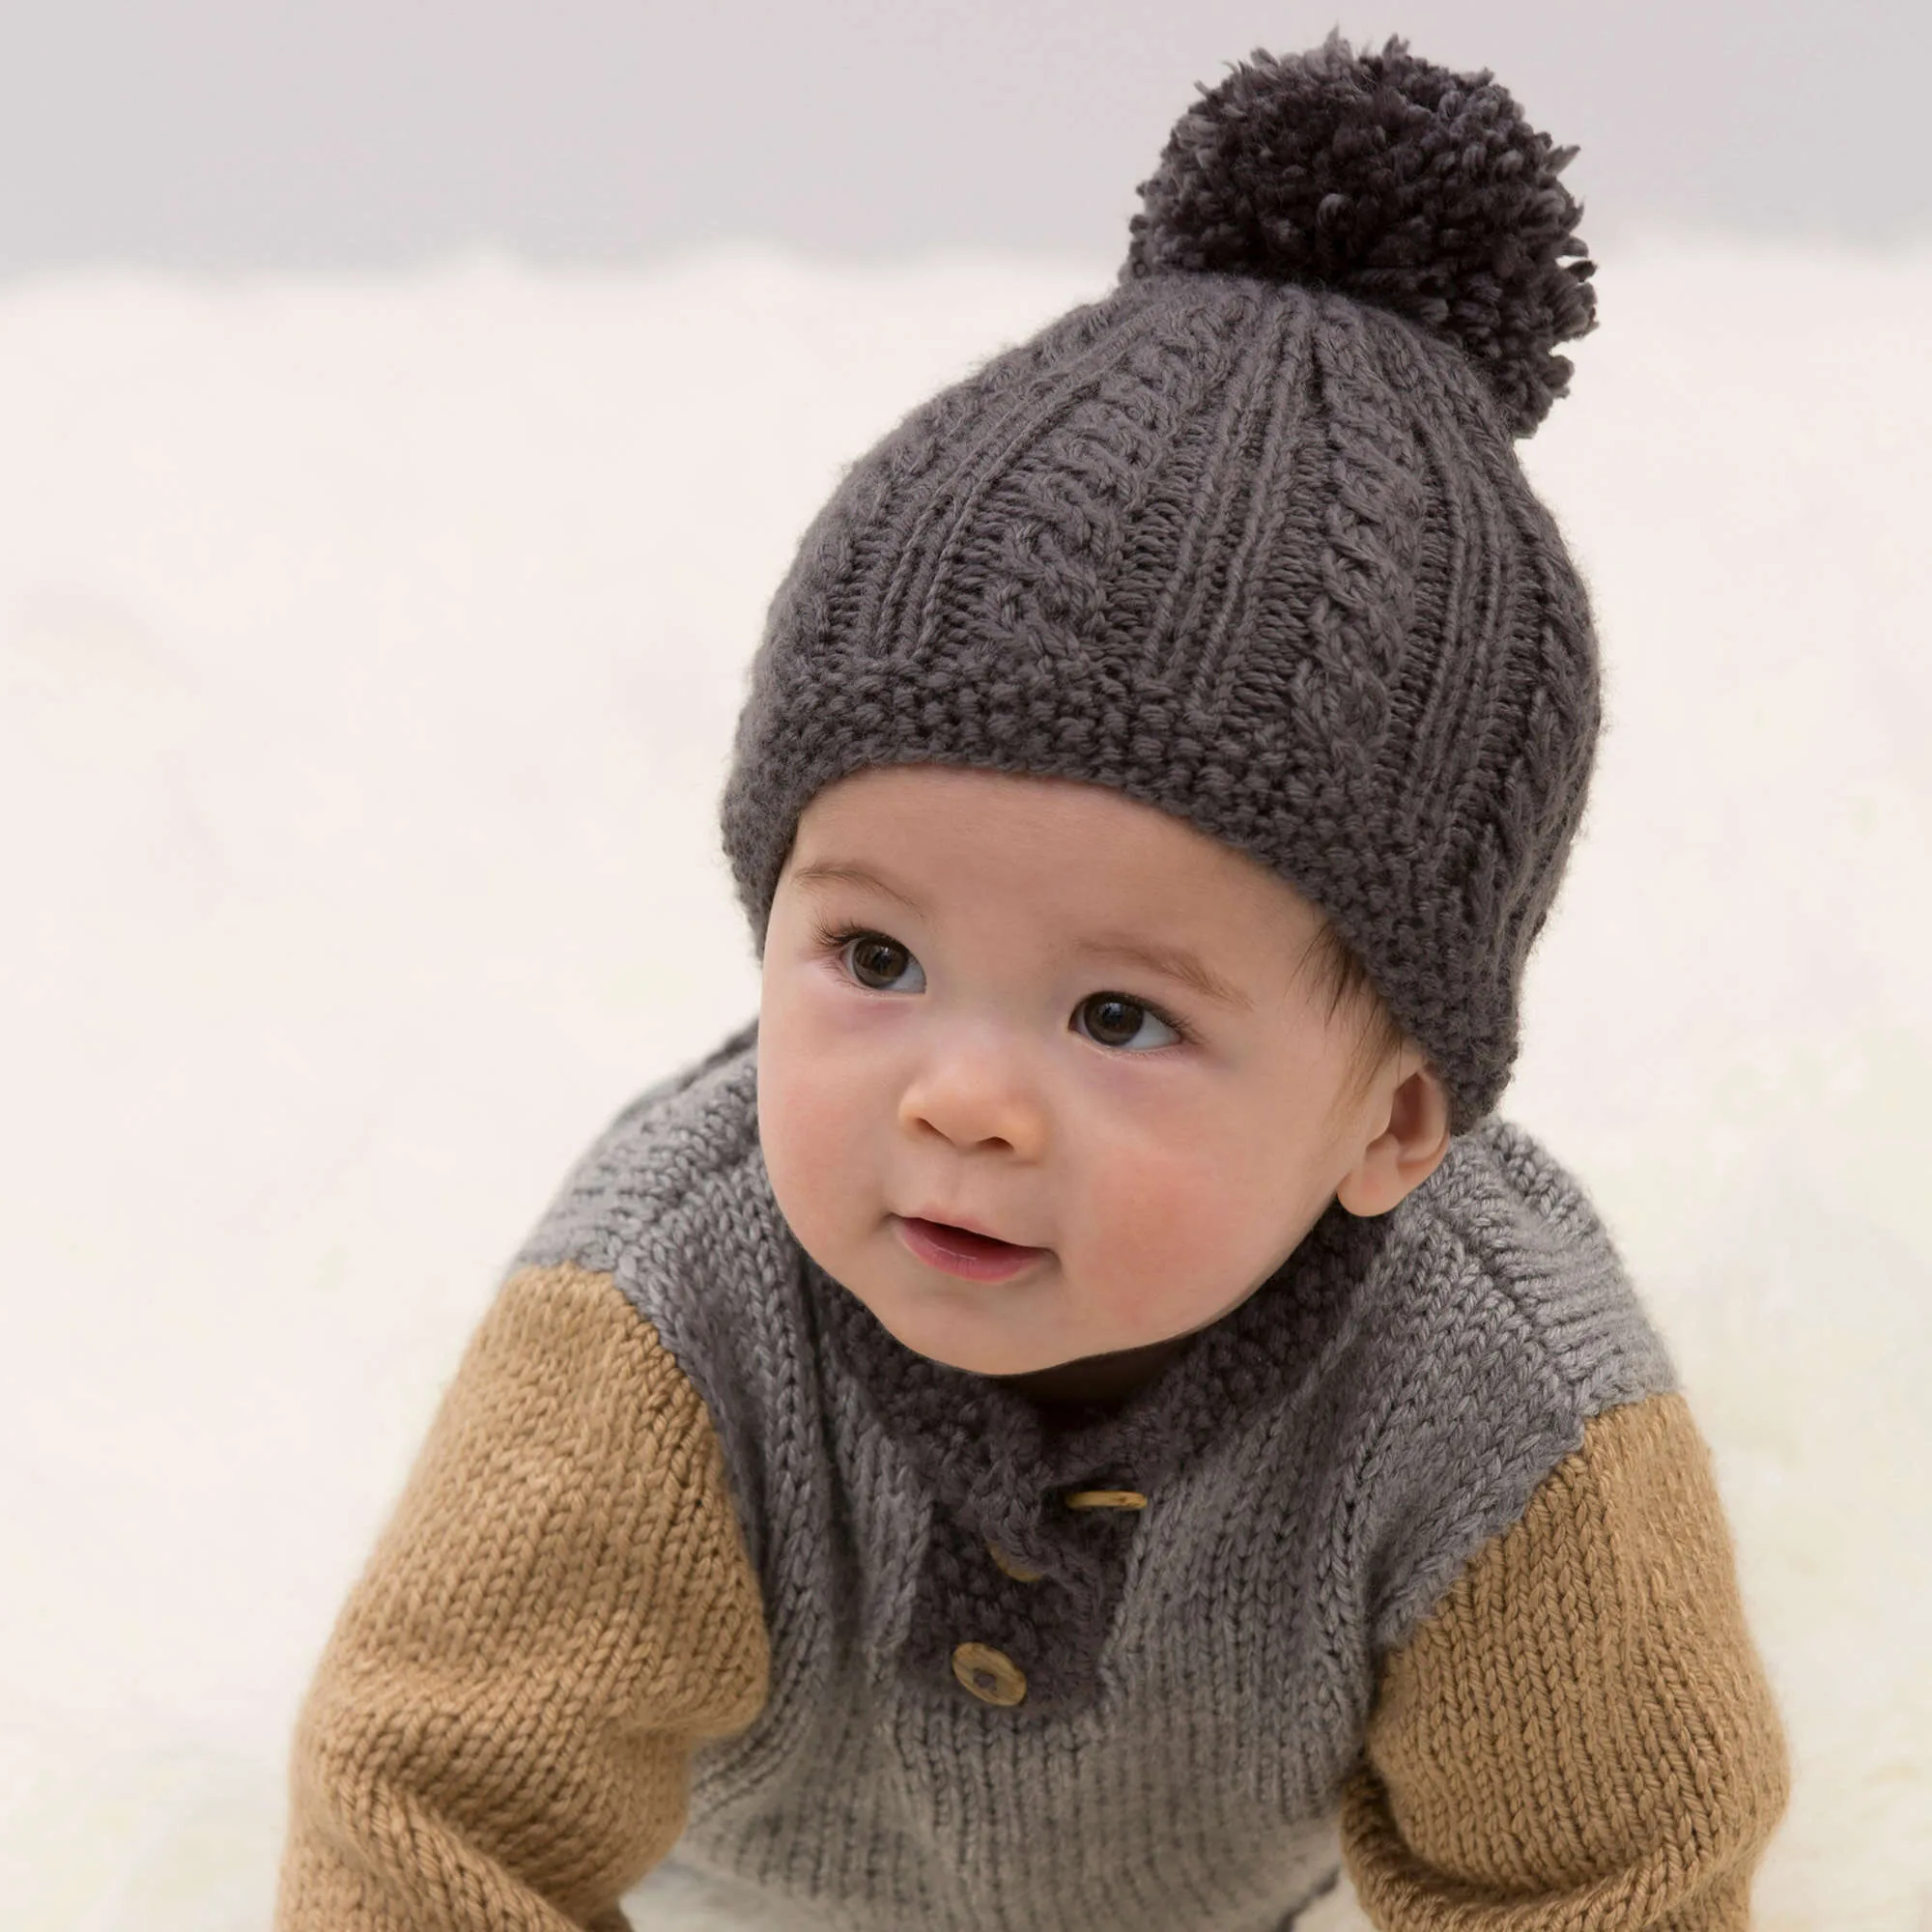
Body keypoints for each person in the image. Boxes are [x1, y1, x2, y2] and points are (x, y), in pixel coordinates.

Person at [274, 35, 1790, 1932]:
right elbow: (427, 1806)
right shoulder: (670, 1300)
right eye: (876, 958)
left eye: (1118, 1017)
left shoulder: (1501, 1391)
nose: (958, 1095)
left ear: (1396, 1118)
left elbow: (1609, 1875)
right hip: (718, 1881)